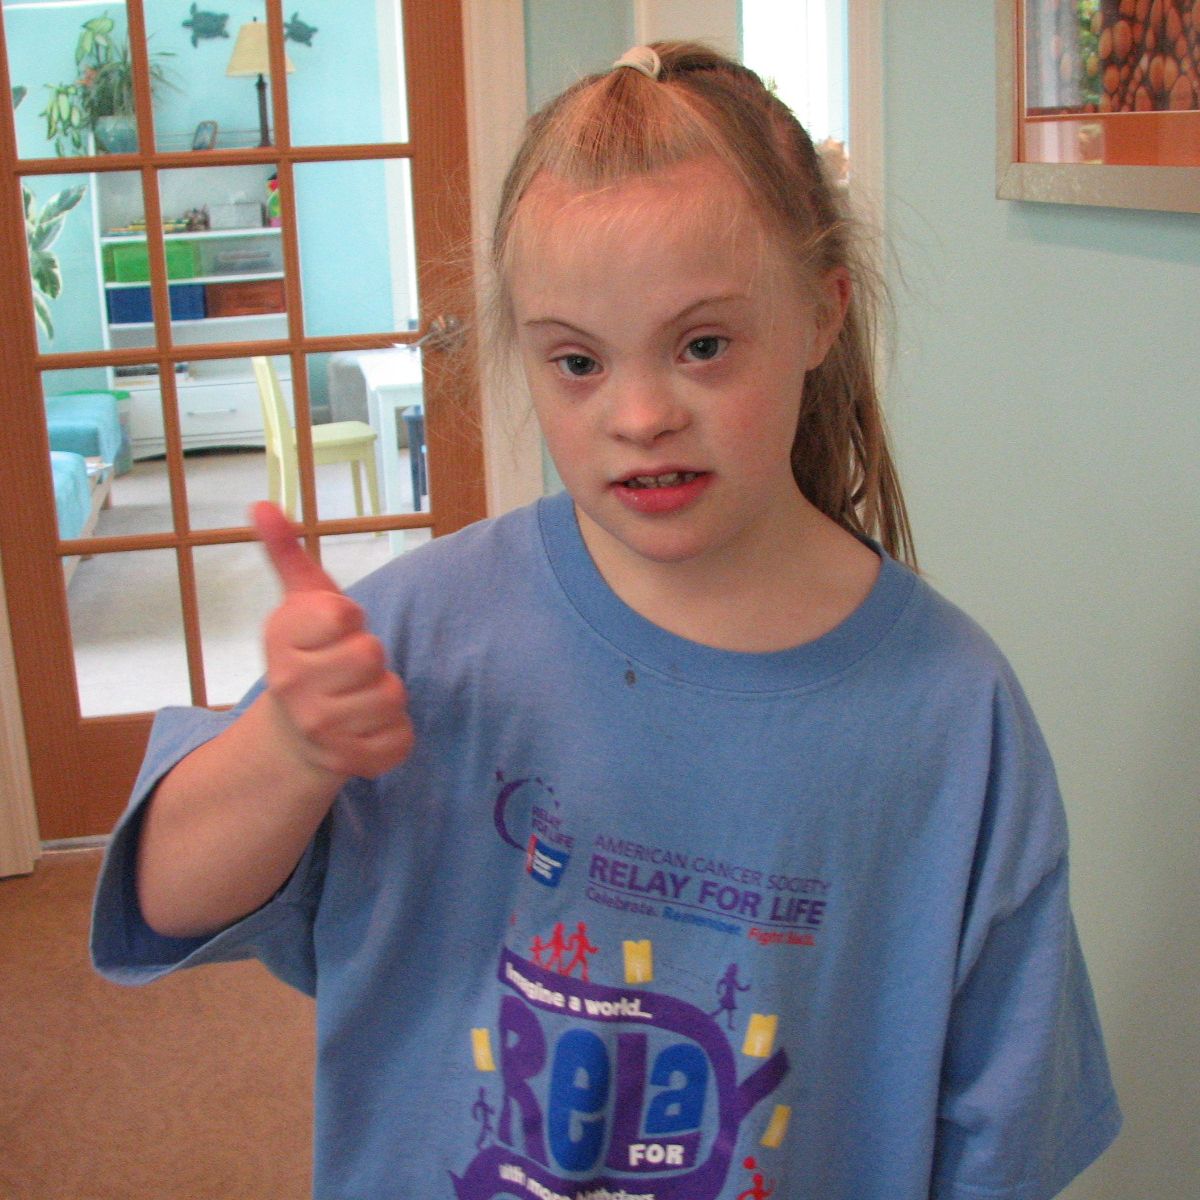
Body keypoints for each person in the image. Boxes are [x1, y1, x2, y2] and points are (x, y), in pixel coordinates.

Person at [92, 43, 1120, 1200]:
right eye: (577, 361)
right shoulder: (422, 637)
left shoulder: (952, 715)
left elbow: (1005, 1124)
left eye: (703, 346)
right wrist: (289, 745)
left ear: (824, 313)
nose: (639, 414)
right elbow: (163, 899)